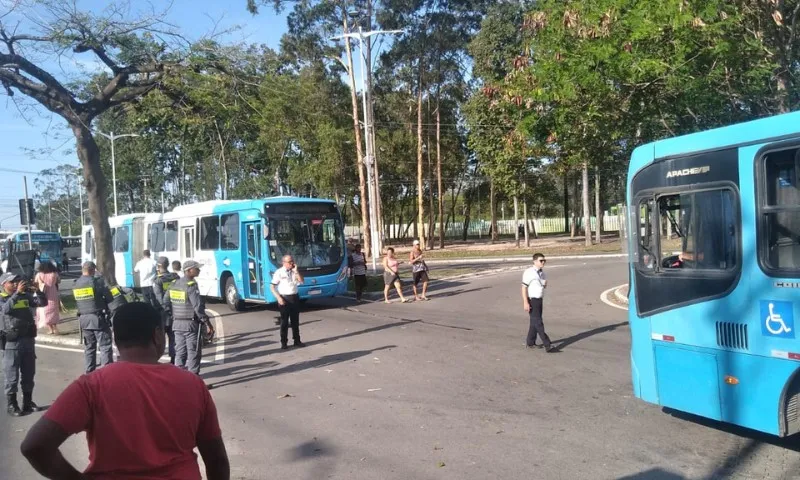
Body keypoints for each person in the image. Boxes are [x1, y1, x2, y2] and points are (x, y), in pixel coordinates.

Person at [20, 302, 231, 480]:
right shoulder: (193, 385)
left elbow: (35, 446)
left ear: (115, 338)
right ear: (157, 335)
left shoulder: (91, 387)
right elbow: (217, 460)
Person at [1, 272, 47, 416]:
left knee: (28, 374)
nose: (15, 284)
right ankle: (12, 405)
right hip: (11, 343)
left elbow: (42, 303)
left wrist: (37, 290)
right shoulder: (3, 299)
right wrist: (17, 294)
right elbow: (5, 310)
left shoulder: (24, 296)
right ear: (3, 285)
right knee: (12, 376)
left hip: (28, 340)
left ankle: (27, 402)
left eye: (17, 281)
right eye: (12, 282)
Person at [164, 260, 215, 379]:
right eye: (196, 268)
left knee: (180, 352)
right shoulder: (191, 286)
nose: (199, 270)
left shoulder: (174, 284)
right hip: (190, 324)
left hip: (177, 323)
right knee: (193, 352)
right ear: (188, 271)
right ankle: (194, 381)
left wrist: (173, 314)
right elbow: (197, 307)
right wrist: (207, 322)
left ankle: (177, 379)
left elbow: (165, 301)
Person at [73, 262, 115, 374]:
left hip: (83, 319)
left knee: (89, 347)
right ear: (92, 270)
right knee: (105, 346)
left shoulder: (76, 283)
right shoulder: (95, 282)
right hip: (98, 319)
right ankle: (107, 373)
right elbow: (109, 297)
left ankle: (89, 372)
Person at [270, 255, 306, 350]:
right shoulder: (279, 272)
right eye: (289, 262)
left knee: (295, 321)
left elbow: (302, 281)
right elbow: (272, 287)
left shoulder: (294, 271)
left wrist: (296, 271)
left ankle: (297, 340)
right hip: (284, 298)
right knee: (284, 322)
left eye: (292, 261)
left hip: (294, 297)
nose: (292, 263)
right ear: (284, 263)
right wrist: (278, 298)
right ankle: (284, 342)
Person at [521, 253, 555, 353]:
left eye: (544, 260)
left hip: (540, 300)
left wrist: (544, 284)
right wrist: (525, 302)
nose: (543, 262)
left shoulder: (542, 273)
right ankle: (547, 344)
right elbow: (523, 288)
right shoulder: (529, 272)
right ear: (534, 261)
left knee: (534, 322)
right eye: (541, 260)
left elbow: (543, 286)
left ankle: (530, 342)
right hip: (532, 300)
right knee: (538, 322)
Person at [153, 256, 179, 364]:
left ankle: (156, 361)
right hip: (175, 310)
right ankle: (174, 359)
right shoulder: (175, 277)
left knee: (159, 339)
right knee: (173, 337)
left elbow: (158, 298)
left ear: (159, 266)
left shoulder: (158, 280)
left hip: (163, 313)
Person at [34, 261, 60, 335]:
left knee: (45, 311)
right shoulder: (54, 274)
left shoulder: (39, 274)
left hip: (43, 295)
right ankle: (55, 328)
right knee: (54, 311)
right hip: (53, 293)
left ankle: (50, 329)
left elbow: (35, 282)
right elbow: (59, 281)